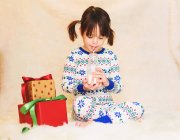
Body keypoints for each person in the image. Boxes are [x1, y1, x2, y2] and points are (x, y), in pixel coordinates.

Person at [61, 6, 144, 125]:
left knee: (138, 107)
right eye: (90, 36)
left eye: (100, 38)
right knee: (81, 103)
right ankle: (114, 119)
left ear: (106, 35)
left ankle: (97, 122)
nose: (95, 42)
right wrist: (82, 87)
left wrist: (107, 82)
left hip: (107, 106)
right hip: (86, 106)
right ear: (81, 31)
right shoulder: (74, 56)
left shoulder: (110, 56)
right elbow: (65, 85)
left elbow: (119, 87)